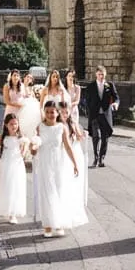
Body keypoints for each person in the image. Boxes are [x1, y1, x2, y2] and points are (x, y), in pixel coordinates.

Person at [33, 100, 79, 238]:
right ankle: (47, 225)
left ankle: (58, 224)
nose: (49, 114)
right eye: (47, 112)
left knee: (58, 192)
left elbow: (68, 147)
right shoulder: (40, 127)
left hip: (59, 163)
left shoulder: (62, 127)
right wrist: (32, 147)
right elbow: (35, 148)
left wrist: (75, 163)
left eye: (52, 112)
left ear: (57, 113)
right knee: (46, 193)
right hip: (44, 163)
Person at [0, 113, 29, 224]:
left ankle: (13, 213)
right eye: (11, 124)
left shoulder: (21, 137)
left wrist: (24, 148)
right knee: (6, 187)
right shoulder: (3, 136)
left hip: (16, 165)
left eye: (16, 124)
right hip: (5, 164)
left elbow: (23, 153)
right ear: (6, 125)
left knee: (15, 187)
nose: (14, 126)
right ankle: (7, 209)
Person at [58, 102, 89, 227]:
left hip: (74, 153)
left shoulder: (73, 124)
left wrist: (81, 135)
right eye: (62, 112)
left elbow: (79, 138)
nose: (64, 114)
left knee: (73, 182)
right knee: (63, 182)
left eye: (66, 112)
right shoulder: (57, 125)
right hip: (63, 154)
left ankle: (71, 208)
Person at [84, 65, 119, 167]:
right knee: (96, 136)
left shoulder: (109, 85)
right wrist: (90, 110)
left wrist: (116, 103)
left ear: (105, 74)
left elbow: (116, 97)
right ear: (96, 74)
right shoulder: (91, 86)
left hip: (105, 115)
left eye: (102, 74)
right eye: (99, 74)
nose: (101, 76)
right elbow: (87, 100)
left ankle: (101, 158)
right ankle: (95, 157)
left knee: (105, 137)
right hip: (95, 115)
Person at [18, 72, 41, 143]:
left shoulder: (31, 89)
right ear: (24, 78)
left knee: (31, 127)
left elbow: (34, 99)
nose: (29, 79)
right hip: (22, 110)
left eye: (30, 78)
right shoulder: (20, 87)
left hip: (31, 112)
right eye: (27, 77)